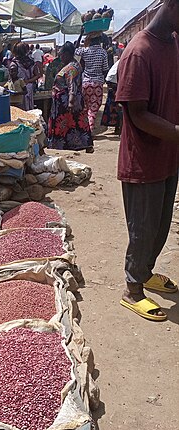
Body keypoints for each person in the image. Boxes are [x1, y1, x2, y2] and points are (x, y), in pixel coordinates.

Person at [116, 0, 179, 322]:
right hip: (143, 161)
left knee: (160, 226)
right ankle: (133, 289)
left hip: (169, 156)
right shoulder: (138, 52)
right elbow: (137, 114)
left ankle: (146, 272)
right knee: (142, 229)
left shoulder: (173, 43)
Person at [47, 42, 93, 152]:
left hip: (67, 101)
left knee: (71, 122)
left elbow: (72, 85)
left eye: (61, 54)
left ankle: (71, 145)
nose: (60, 57)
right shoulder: (73, 65)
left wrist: (71, 101)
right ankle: (73, 145)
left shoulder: (72, 67)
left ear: (67, 54)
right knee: (72, 123)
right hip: (64, 100)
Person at [75, 31, 109, 132]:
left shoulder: (85, 50)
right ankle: (89, 131)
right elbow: (105, 69)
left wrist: (80, 34)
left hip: (85, 83)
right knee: (93, 109)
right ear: (99, 40)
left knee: (86, 108)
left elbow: (75, 50)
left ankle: (84, 130)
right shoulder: (103, 52)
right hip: (97, 83)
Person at [11, 42, 42, 110]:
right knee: (28, 110)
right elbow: (38, 75)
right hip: (29, 89)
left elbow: (10, 78)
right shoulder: (31, 62)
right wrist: (28, 81)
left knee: (19, 111)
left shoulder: (14, 64)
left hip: (18, 90)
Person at [100, 59, 122, 135]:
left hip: (111, 80)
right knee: (119, 104)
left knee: (114, 104)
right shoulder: (129, 60)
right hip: (114, 81)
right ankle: (119, 127)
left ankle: (117, 127)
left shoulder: (123, 59)